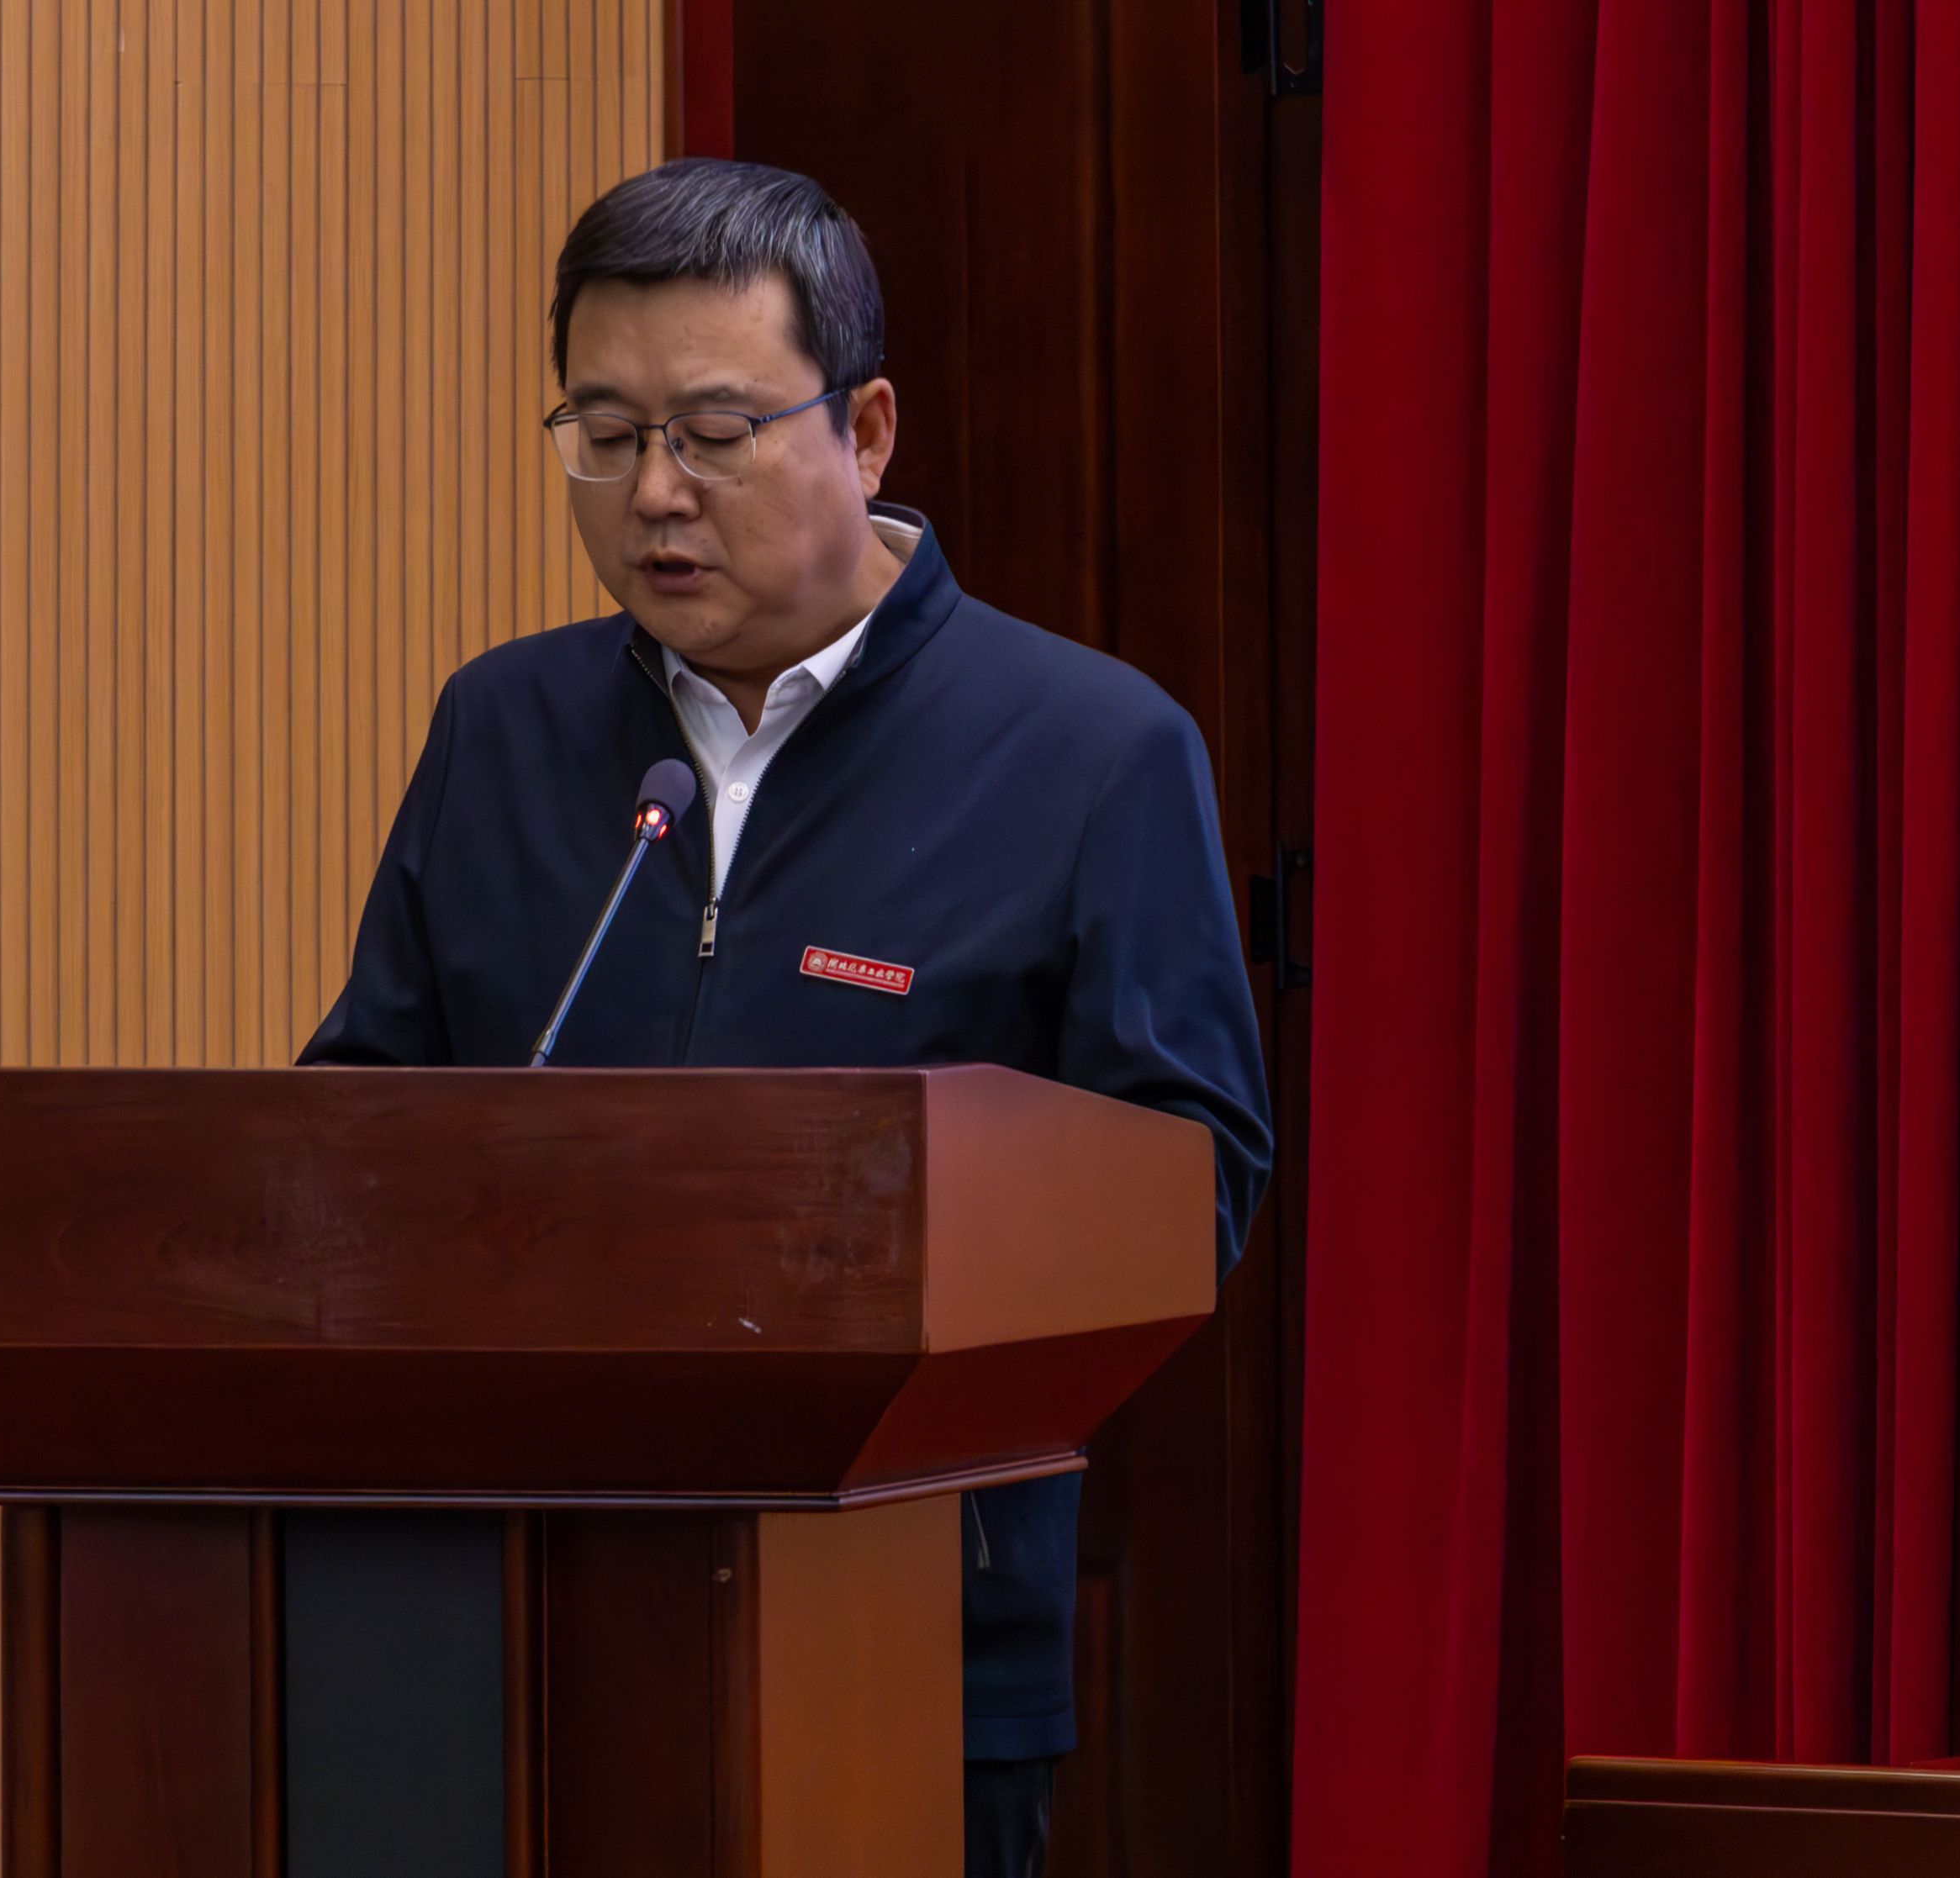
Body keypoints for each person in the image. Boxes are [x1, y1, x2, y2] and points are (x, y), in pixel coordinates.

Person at [304, 156, 1271, 1877]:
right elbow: (360, 1112)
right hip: (507, 1624)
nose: (652, 495)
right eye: (603, 434)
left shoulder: (1090, 753)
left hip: (903, 1623)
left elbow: (1185, 1180)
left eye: (714, 432)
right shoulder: (501, 729)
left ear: (867, 430)